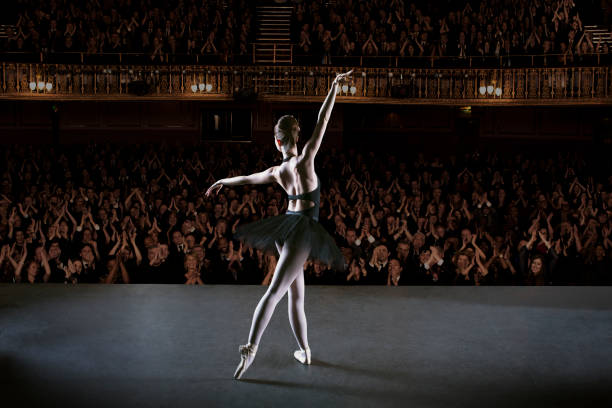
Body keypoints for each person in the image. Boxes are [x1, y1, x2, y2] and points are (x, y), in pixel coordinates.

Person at [205, 70, 353, 380]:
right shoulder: (306, 160)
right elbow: (323, 120)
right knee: (276, 292)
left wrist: (222, 181)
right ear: (297, 137)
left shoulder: (276, 170)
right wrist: (334, 87)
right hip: (302, 232)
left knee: (295, 295)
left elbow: (247, 179)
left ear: (277, 141)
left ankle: (305, 350)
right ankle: (250, 349)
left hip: (285, 227)